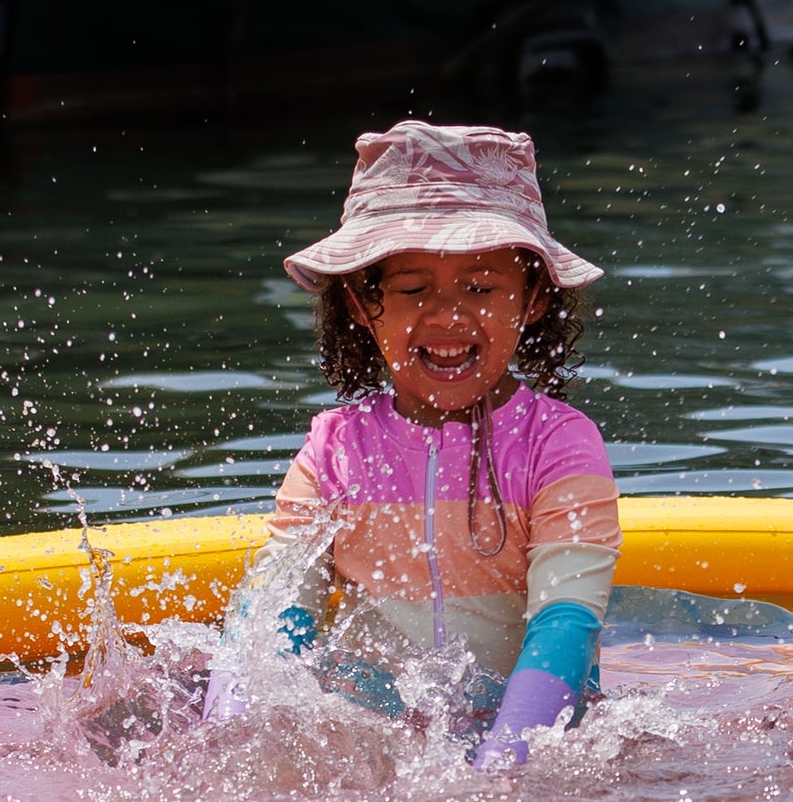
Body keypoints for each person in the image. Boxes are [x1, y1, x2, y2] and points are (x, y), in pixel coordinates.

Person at [256, 121, 621, 769]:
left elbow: (565, 624)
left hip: (531, 736)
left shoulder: (560, 446)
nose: (448, 317)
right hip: (375, 739)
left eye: (481, 287)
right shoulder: (335, 450)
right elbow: (275, 615)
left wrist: (503, 768)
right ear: (364, 306)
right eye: (412, 289)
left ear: (533, 298)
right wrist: (234, 740)